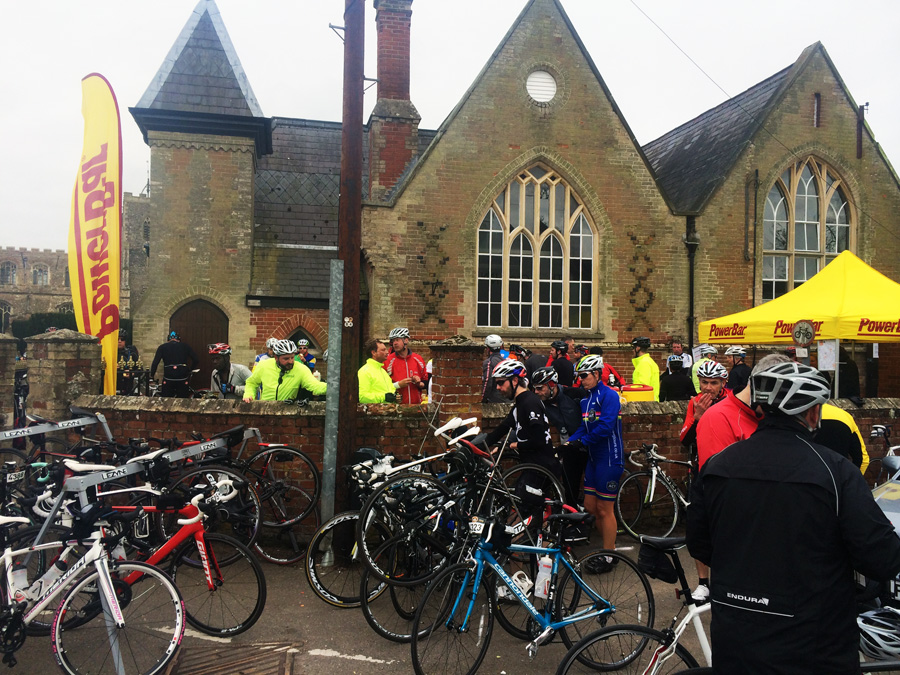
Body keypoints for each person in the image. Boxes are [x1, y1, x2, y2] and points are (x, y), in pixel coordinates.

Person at [687, 362, 900, 674]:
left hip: (736, 639)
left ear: (761, 409)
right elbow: (881, 557)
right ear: (813, 413)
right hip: (815, 644)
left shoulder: (717, 466)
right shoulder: (835, 471)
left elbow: (699, 543)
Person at [559, 354, 623, 571]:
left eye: (584, 375)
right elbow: (583, 427)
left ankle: (609, 556)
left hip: (610, 458)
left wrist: (582, 442)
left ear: (596, 374)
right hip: (594, 459)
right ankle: (609, 546)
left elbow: (605, 427)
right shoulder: (586, 400)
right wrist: (570, 443)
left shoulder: (610, 396)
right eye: (578, 376)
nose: (581, 380)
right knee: (589, 506)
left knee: (605, 509)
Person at [483, 359, 560, 527]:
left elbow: (539, 440)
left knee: (523, 514)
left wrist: (515, 445)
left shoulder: (530, 402)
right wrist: (476, 446)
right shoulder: (520, 404)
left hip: (541, 467)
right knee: (525, 511)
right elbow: (501, 429)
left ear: (515, 380)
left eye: (501, 383)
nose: (498, 388)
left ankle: (535, 541)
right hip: (532, 465)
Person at [678, 359, 728, 602]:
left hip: (727, 473)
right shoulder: (694, 402)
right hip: (701, 472)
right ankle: (703, 583)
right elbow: (684, 440)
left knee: (725, 530)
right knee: (699, 529)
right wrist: (697, 417)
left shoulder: (732, 402)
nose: (708, 387)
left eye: (714, 383)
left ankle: (726, 580)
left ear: (723, 383)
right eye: (704, 382)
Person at [532, 366, 588, 507]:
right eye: (534, 388)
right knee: (570, 489)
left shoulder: (575, 394)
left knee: (593, 488)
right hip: (568, 449)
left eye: (539, 388)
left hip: (588, 444)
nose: (536, 392)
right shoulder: (540, 404)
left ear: (552, 384)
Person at [242, 339, 326, 402]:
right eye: (286, 358)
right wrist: (249, 394)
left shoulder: (301, 369)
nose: (290, 361)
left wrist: (332, 388)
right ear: (276, 357)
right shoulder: (264, 365)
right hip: (265, 410)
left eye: (292, 357)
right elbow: (252, 382)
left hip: (287, 412)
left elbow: (315, 386)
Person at [815, 403, 870, 474]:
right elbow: (863, 459)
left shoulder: (803, 415)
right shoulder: (845, 416)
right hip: (838, 477)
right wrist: (854, 479)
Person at [384, 327, 428, 404]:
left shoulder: (418, 359)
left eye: (397, 340)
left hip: (416, 405)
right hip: (396, 406)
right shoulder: (388, 360)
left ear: (406, 340)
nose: (395, 343)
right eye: (393, 341)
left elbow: (426, 381)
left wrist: (419, 383)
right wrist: (399, 385)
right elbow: (383, 386)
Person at [150, 330, 199, 398]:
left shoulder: (162, 347)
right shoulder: (185, 346)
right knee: (183, 400)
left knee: (167, 400)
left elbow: (155, 363)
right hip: (182, 378)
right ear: (179, 340)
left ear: (168, 340)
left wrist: (152, 375)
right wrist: (190, 370)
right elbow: (196, 359)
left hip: (168, 378)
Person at [359, 338, 406, 404]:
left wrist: (395, 398)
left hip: (388, 410)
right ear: (373, 353)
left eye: (386, 349)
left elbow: (390, 391)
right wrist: (384, 397)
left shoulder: (383, 371)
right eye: (383, 350)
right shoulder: (364, 371)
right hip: (375, 410)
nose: (387, 352)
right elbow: (362, 397)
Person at [630, 336, 660, 401]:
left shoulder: (644, 363)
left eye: (633, 348)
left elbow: (643, 386)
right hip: (651, 401)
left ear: (638, 348)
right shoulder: (649, 361)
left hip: (645, 402)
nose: (632, 350)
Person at [481, 334, 508, 403]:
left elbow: (487, 382)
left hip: (494, 400)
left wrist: (482, 399)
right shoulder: (505, 361)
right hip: (507, 399)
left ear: (488, 348)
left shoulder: (489, 362)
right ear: (501, 347)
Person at [116, 329, 140, 395]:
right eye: (117, 339)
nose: (119, 341)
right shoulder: (109, 354)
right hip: (112, 386)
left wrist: (132, 373)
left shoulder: (131, 353)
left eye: (122, 339)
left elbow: (140, 369)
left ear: (125, 341)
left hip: (127, 386)